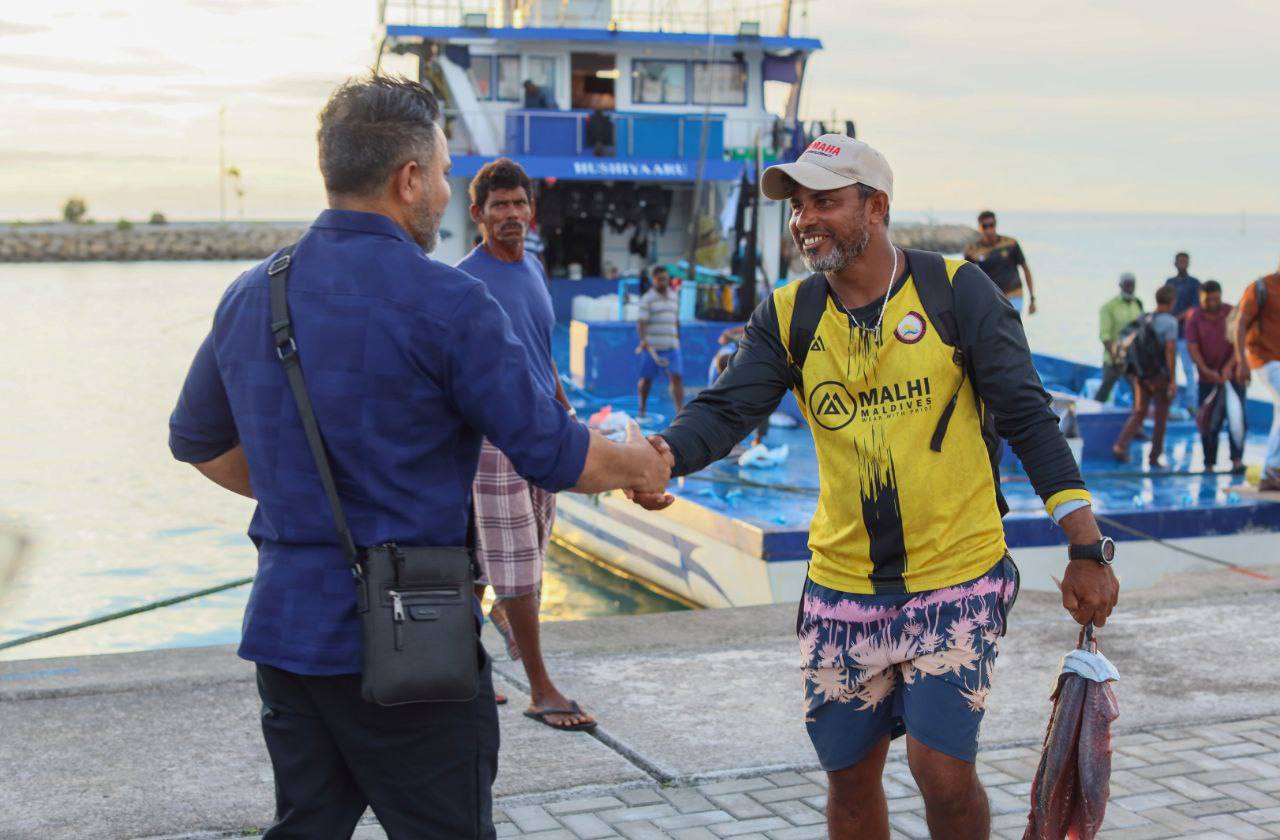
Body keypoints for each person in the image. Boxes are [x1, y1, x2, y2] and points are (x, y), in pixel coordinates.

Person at [167, 76, 669, 840]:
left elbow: (197, 441)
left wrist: (306, 494)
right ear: (408, 179)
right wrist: (640, 465)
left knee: (306, 827)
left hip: (288, 631)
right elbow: (551, 452)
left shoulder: (254, 293)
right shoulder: (450, 303)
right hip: (414, 636)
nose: (442, 189)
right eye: (440, 172)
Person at [629, 134, 1118, 840]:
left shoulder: (956, 291)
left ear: (877, 207)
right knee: (851, 782)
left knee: (941, 773)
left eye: (824, 202)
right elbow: (727, 409)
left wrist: (1086, 547)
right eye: (797, 206)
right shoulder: (790, 314)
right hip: (842, 588)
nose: (804, 220)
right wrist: (665, 456)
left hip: (956, 578)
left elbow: (1028, 417)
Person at [457, 158, 595, 733]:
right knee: (514, 564)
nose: (511, 214)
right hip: (494, 441)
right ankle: (542, 689)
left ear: (531, 210)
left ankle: (466, 672)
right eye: (499, 206)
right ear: (478, 214)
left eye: (519, 204)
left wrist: (566, 411)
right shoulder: (465, 281)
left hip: (543, 430)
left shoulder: (535, 268)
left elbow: (542, 352)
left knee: (499, 560)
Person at [1112, 285, 1179, 466]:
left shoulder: (1144, 318)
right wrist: (1173, 380)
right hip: (1160, 377)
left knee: (1139, 411)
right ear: (1172, 302)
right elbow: (1170, 351)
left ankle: (1120, 445)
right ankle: (1154, 456)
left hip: (1140, 374)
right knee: (1161, 416)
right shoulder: (1171, 323)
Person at [1187, 280, 1247, 473]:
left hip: (1233, 377)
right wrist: (1206, 370)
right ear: (1200, 298)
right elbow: (1193, 348)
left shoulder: (1230, 312)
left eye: (1216, 298)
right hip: (1207, 379)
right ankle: (1209, 463)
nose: (1213, 303)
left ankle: (1237, 460)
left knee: (1237, 419)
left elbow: (1239, 341)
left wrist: (1229, 367)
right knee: (1208, 422)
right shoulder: (1194, 318)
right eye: (1208, 300)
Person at [1234, 262, 1280, 491]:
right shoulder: (1261, 288)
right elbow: (1240, 324)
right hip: (1263, 358)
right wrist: (1241, 361)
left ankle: (1273, 470)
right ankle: (1270, 470)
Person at [963, 210, 1036, 314]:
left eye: (991, 225)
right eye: (985, 226)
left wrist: (1032, 298)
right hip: (991, 297)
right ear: (979, 227)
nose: (989, 230)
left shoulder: (1011, 244)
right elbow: (966, 278)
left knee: (1010, 322)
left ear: (995, 225)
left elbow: (1025, 268)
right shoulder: (972, 251)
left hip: (1014, 294)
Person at [636, 264, 684, 417]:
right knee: (646, 380)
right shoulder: (647, 299)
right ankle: (642, 410)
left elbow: (675, 320)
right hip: (652, 348)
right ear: (653, 280)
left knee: (676, 378)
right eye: (659, 279)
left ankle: (680, 413)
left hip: (672, 347)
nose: (663, 282)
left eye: (665, 279)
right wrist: (643, 340)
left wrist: (677, 337)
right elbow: (641, 322)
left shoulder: (674, 296)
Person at [1096, 272, 1144, 403]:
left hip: (1132, 359)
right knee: (1105, 390)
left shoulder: (1138, 304)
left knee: (1138, 391)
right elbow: (1105, 336)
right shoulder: (1109, 307)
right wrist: (1117, 358)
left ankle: (1138, 413)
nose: (1130, 288)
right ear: (1120, 285)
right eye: (1127, 284)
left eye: (1132, 285)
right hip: (1113, 359)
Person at [1164, 252, 1202, 413]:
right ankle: (1170, 402)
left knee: (1188, 370)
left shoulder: (1194, 284)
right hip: (1169, 336)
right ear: (1175, 263)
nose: (1182, 264)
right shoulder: (1169, 283)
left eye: (1184, 261)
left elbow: (1194, 308)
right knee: (1168, 370)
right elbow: (1164, 303)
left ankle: (1192, 404)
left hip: (1186, 335)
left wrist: (1175, 319)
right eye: (1179, 261)